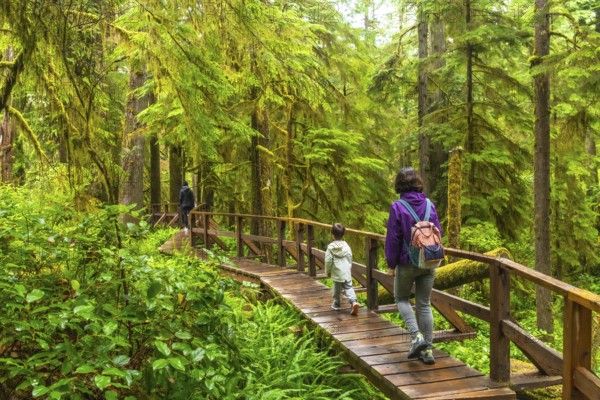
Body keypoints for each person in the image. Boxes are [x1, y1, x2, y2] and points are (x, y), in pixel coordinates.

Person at [385, 167, 442, 365]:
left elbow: (393, 237)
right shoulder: (429, 204)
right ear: (418, 182)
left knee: (401, 298)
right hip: (429, 261)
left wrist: (391, 264)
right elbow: (437, 231)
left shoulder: (398, 206)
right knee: (424, 304)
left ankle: (416, 337)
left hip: (407, 261)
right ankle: (427, 352)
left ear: (399, 184)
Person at [325, 223, 360, 315]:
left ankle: (336, 304)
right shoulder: (346, 246)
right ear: (343, 234)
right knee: (348, 287)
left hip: (336, 272)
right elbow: (350, 257)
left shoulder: (330, 248)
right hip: (346, 271)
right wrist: (349, 267)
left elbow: (328, 260)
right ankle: (353, 302)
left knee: (337, 288)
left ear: (332, 235)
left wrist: (327, 270)